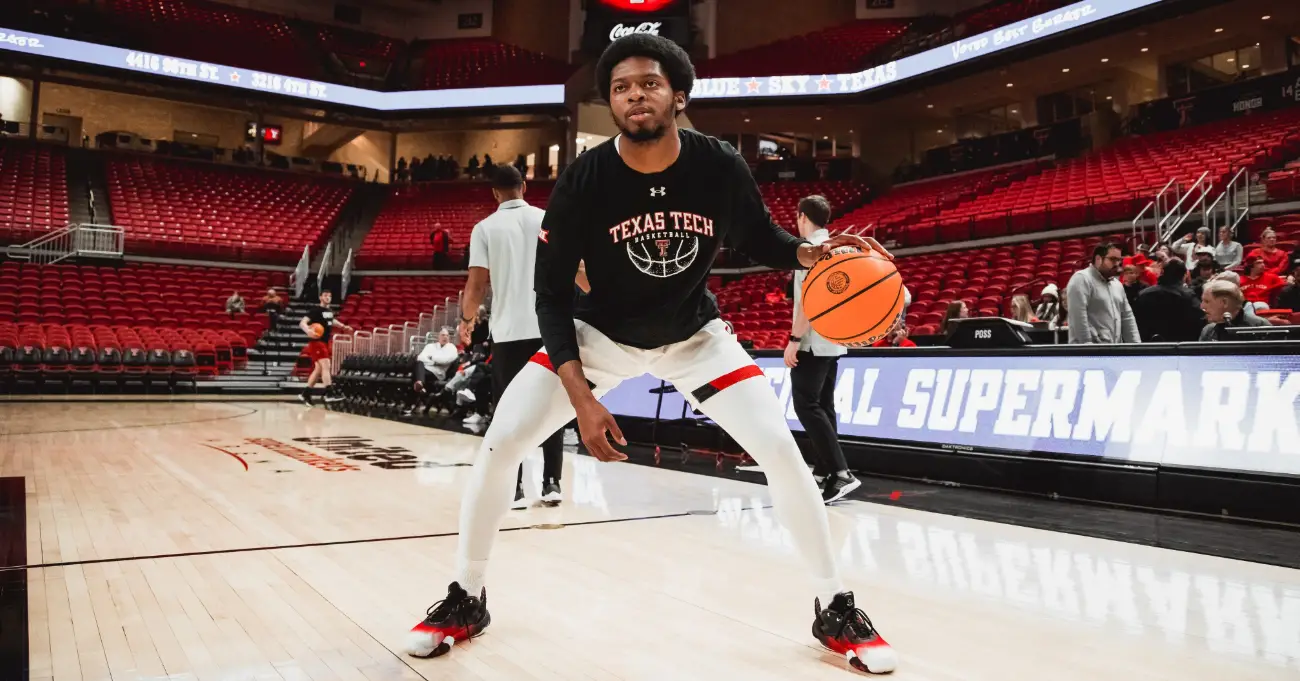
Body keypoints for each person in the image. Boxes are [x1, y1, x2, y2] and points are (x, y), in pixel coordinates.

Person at [405, 33, 899, 675]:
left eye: (649, 83)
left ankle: (833, 605)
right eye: (621, 88)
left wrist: (806, 253)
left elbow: (758, 235)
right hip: (599, 336)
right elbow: (550, 296)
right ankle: (467, 596)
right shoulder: (585, 178)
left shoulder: (718, 163)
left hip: (694, 337)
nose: (635, 95)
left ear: (678, 96)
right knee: (500, 445)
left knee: (781, 451)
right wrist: (582, 400)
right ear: (610, 103)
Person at [461, 164, 568, 510]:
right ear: (524, 186)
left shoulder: (484, 228)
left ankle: (517, 487)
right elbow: (571, 267)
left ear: (494, 193)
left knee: (508, 411)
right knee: (550, 405)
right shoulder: (545, 218)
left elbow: (477, 285)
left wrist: (467, 319)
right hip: (548, 327)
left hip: (507, 333)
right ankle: (552, 484)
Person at [783, 195, 860, 504]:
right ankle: (825, 471)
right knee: (824, 407)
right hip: (834, 339)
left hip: (813, 341)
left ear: (802, 216)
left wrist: (794, 340)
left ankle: (841, 473)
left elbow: (809, 303)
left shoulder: (810, 251)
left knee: (806, 406)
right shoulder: (838, 248)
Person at [1067, 242, 1140, 344]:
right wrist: (1087, 346)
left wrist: (1136, 346)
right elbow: (1078, 317)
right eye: (1113, 259)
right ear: (1098, 259)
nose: (1117, 264)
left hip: (1113, 350)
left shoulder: (1117, 285)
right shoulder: (1081, 279)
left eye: (1119, 260)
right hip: (1088, 351)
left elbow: (1127, 317)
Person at [298, 289, 352, 406]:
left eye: (329, 296)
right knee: (326, 365)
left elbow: (332, 320)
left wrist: (343, 326)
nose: (328, 297)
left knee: (318, 370)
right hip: (317, 342)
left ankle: (305, 394)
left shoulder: (329, 311)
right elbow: (302, 323)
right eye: (325, 295)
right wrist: (308, 331)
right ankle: (329, 393)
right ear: (320, 297)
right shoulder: (315, 310)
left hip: (325, 342)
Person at [1132, 259, 1204, 342]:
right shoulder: (1188, 296)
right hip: (1180, 345)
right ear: (1184, 276)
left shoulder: (1143, 294)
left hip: (1149, 345)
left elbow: (1135, 322)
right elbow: (1200, 320)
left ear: (1162, 272)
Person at [407, 328, 461, 416]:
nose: (445, 337)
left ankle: (417, 393)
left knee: (416, 373)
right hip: (426, 370)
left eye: (447, 335)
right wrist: (434, 362)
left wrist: (431, 358)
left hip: (438, 373)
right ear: (438, 337)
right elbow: (421, 357)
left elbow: (445, 360)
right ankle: (420, 383)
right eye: (443, 335)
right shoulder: (430, 346)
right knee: (418, 363)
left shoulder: (452, 348)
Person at [1199, 279, 1271, 341]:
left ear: (1225, 302)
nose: (1202, 306)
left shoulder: (1260, 327)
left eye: (1207, 301)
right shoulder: (1208, 331)